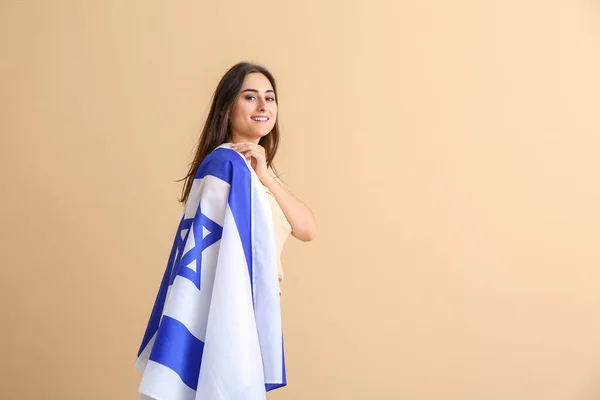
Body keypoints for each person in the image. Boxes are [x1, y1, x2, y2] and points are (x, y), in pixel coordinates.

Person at [135, 62, 316, 400]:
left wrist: (267, 176)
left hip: (250, 303)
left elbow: (307, 229)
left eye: (270, 98)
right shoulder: (225, 165)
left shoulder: (256, 171)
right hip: (226, 303)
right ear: (228, 107)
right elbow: (216, 254)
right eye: (250, 97)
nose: (263, 107)